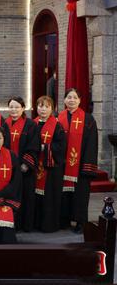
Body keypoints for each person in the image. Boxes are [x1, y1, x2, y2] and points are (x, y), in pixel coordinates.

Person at [58, 88, 98, 233]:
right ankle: (64, 220)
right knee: (63, 194)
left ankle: (81, 222)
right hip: (62, 164)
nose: (72, 100)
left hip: (80, 164)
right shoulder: (58, 118)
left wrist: (87, 166)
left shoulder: (88, 119)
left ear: (80, 100)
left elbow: (92, 144)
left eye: (75, 97)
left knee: (80, 195)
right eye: (69, 97)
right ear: (64, 100)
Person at [3, 96, 40, 232]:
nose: (14, 110)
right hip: (8, 169)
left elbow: (34, 146)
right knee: (11, 197)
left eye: (17, 107)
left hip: (25, 170)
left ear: (23, 108)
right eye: (11, 107)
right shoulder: (4, 124)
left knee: (26, 197)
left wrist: (26, 164)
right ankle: (13, 224)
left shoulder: (30, 125)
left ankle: (26, 225)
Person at [33, 96, 66, 233]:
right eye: (40, 106)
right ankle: (34, 224)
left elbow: (60, 146)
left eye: (46, 106)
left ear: (52, 108)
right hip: (34, 166)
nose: (43, 109)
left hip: (51, 168)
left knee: (49, 197)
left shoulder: (57, 125)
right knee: (35, 196)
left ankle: (49, 225)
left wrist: (44, 148)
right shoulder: (32, 123)